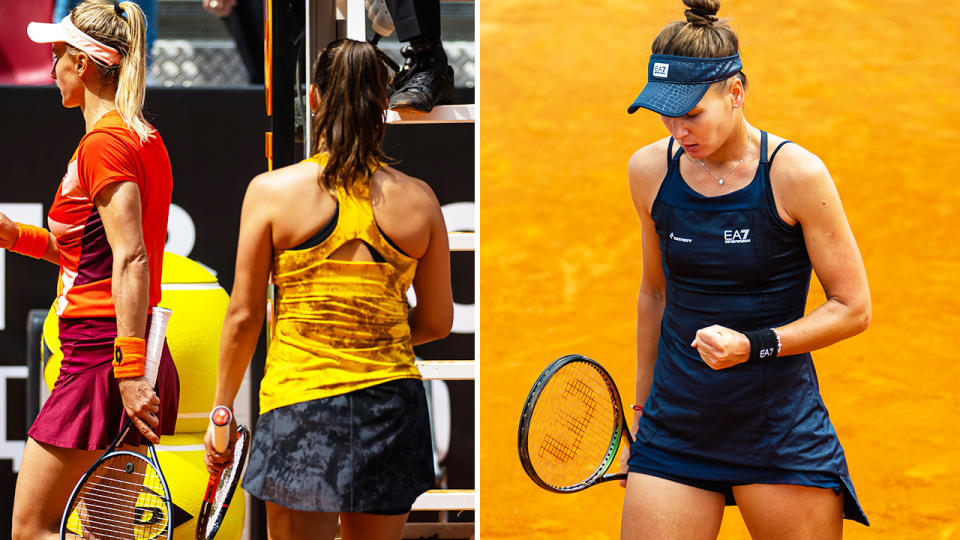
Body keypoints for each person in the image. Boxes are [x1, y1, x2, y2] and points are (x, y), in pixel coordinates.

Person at [618, 1, 871, 538]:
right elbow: (653, 295)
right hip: (675, 427)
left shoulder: (796, 175)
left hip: (777, 430)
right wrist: (641, 408)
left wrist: (753, 344)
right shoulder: (649, 170)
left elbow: (853, 308)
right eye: (666, 114)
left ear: (735, 92)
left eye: (692, 113)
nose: (677, 129)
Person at [203, 39, 453, 539]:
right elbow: (436, 323)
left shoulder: (271, 192)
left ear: (313, 98)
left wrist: (222, 411)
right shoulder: (420, 202)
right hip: (391, 410)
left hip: (302, 408)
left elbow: (244, 317)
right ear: (383, 103)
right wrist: (368, 335)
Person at [10, 1, 178, 538]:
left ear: (82, 65)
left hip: (104, 357)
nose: (49, 68)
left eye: (57, 55)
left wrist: (128, 375)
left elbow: (130, 257)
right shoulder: (142, 139)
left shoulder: (103, 145)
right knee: (108, 534)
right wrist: (14, 236)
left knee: (31, 529)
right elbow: (89, 253)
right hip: (126, 351)